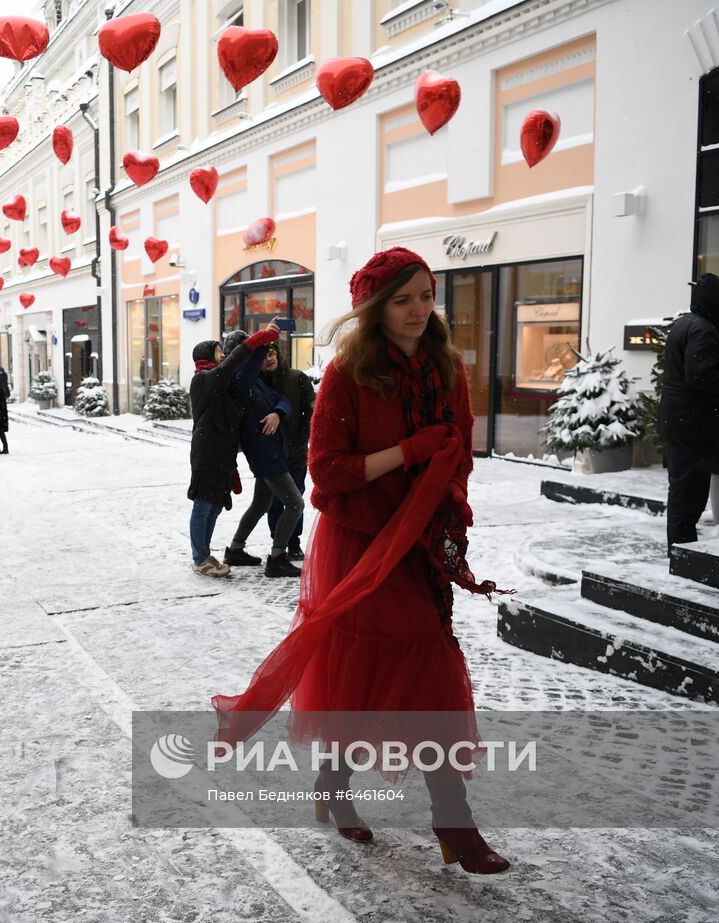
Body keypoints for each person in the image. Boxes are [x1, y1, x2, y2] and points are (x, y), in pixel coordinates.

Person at [212, 248, 511, 874]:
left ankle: (450, 817)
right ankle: (340, 783)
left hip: (422, 542)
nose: (418, 310)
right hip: (361, 541)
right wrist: (410, 451)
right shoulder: (349, 374)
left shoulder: (446, 366)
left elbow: (461, 448)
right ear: (374, 309)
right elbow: (327, 472)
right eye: (402, 300)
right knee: (361, 666)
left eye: (425, 296)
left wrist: (446, 499)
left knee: (427, 669)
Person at [187, 323, 281, 577]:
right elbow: (229, 366)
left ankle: (205, 554)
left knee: (215, 505)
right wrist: (256, 340)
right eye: (219, 351)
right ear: (207, 356)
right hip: (207, 452)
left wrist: (259, 350)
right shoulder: (203, 379)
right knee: (203, 504)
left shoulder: (223, 384)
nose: (223, 355)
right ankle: (199, 558)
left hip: (222, 453)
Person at [658, 272, 719, 550]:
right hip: (692, 425)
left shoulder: (687, 324)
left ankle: (681, 549)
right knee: (688, 495)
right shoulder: (703, 330)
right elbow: (699, 375)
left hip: (684, 422)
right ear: (718, 303)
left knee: (683, 492)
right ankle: (682, 553)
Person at [220, 329, 306, 578]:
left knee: (261, 504)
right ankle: (277, 558)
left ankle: (235, 549)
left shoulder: (255, 380)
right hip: (265, 454)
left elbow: (282, 399)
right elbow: (250, 372)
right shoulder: (239, 381)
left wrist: (277, 413)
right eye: (248, 350)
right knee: (295, 503)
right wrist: (262, 340)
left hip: (271, 452)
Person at [263, 342, 316, 560]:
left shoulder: (297, 378)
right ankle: (279, 543)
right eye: (263, 356)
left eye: (271, 354)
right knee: (274, 502)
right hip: (271, 453)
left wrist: (303, 438)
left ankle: (293, 543)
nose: (268, 359)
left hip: (296, 452)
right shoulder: (256, 383)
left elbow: (312, 410)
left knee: (296, 499)